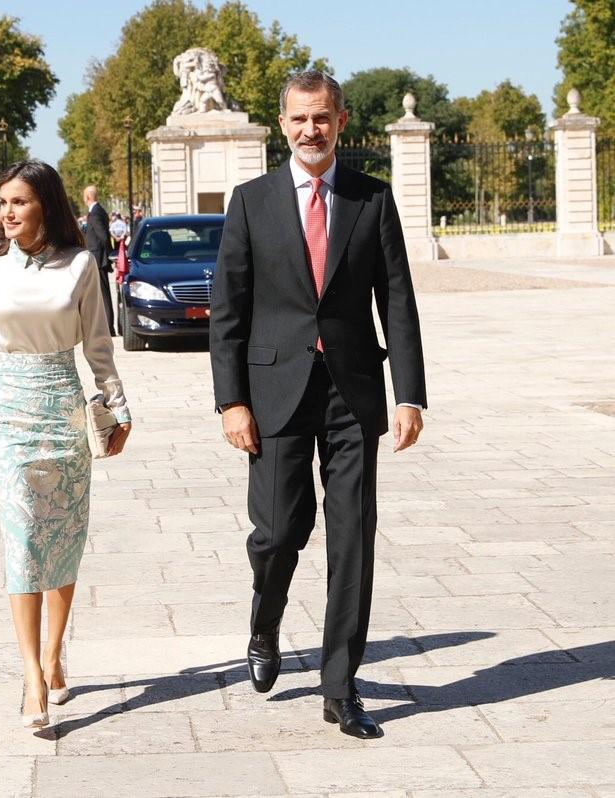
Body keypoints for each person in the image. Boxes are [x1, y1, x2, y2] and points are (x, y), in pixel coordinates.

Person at [209, 70, 427, 740]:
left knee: (352, 537)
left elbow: (395, 298)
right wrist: (231, 403)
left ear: (341, 120)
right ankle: (264, 619)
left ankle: (339, 687)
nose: (311, 130)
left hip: (352, 391)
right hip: (272, 392)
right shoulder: (251, 201)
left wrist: (409, 393)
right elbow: (227, 310)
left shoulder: (372, 200)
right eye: (300, 119)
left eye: (322, 119)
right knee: (276, 533)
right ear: (283, 124)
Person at [0, 160, 133, 731]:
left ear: (45, 206)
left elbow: (99, 346)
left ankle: (55, 652)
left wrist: (116, 407)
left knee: (63, 535)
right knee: (24, 535)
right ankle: (31, 674)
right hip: (8, 414)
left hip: (62, 407)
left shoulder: (80, 266)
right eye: (2, 202)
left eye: (19, 202)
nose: (6, 213)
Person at [82, 186, 115, 335]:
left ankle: (109, 327)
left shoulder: (95, 213)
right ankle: (107, 326)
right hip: (98, 257)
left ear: (88, 197)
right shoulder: (98, 211)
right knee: (101, 293)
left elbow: (103, 236)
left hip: (98, 258)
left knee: (103, 293)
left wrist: (109, 254)